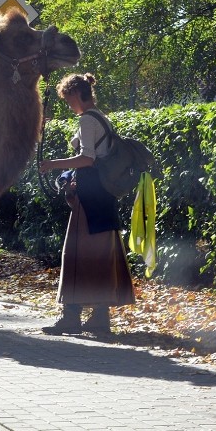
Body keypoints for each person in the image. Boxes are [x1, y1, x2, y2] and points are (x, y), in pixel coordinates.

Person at [37, 73, 135, 333]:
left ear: (78, 95)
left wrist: (52, 165)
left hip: (89, 197)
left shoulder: (87, 121)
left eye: (69, 100)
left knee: (77, 253)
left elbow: (87, 159)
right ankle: (100, 317)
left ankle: (71, 317)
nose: (69, 105)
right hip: (104, 197)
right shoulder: (103, 118)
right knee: (101, 254)